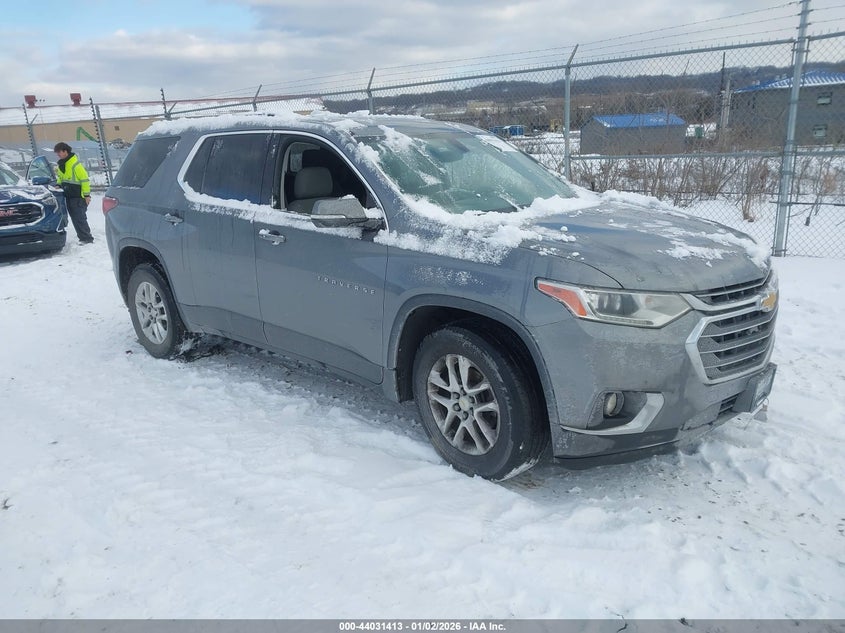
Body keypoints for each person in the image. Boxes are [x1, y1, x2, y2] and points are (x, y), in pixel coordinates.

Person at [53, 142, 94, 244]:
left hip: (78, 197)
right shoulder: (62, 165)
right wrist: (58, 185)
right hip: (69, 196)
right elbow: (61, 177)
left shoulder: (75, 164)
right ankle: (82, 237)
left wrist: (87, 195)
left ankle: (87, 238)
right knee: (74, 218)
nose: (57, 154)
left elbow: (84, 180)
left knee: (79, 218)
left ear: (65, 151)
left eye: (59, 152)